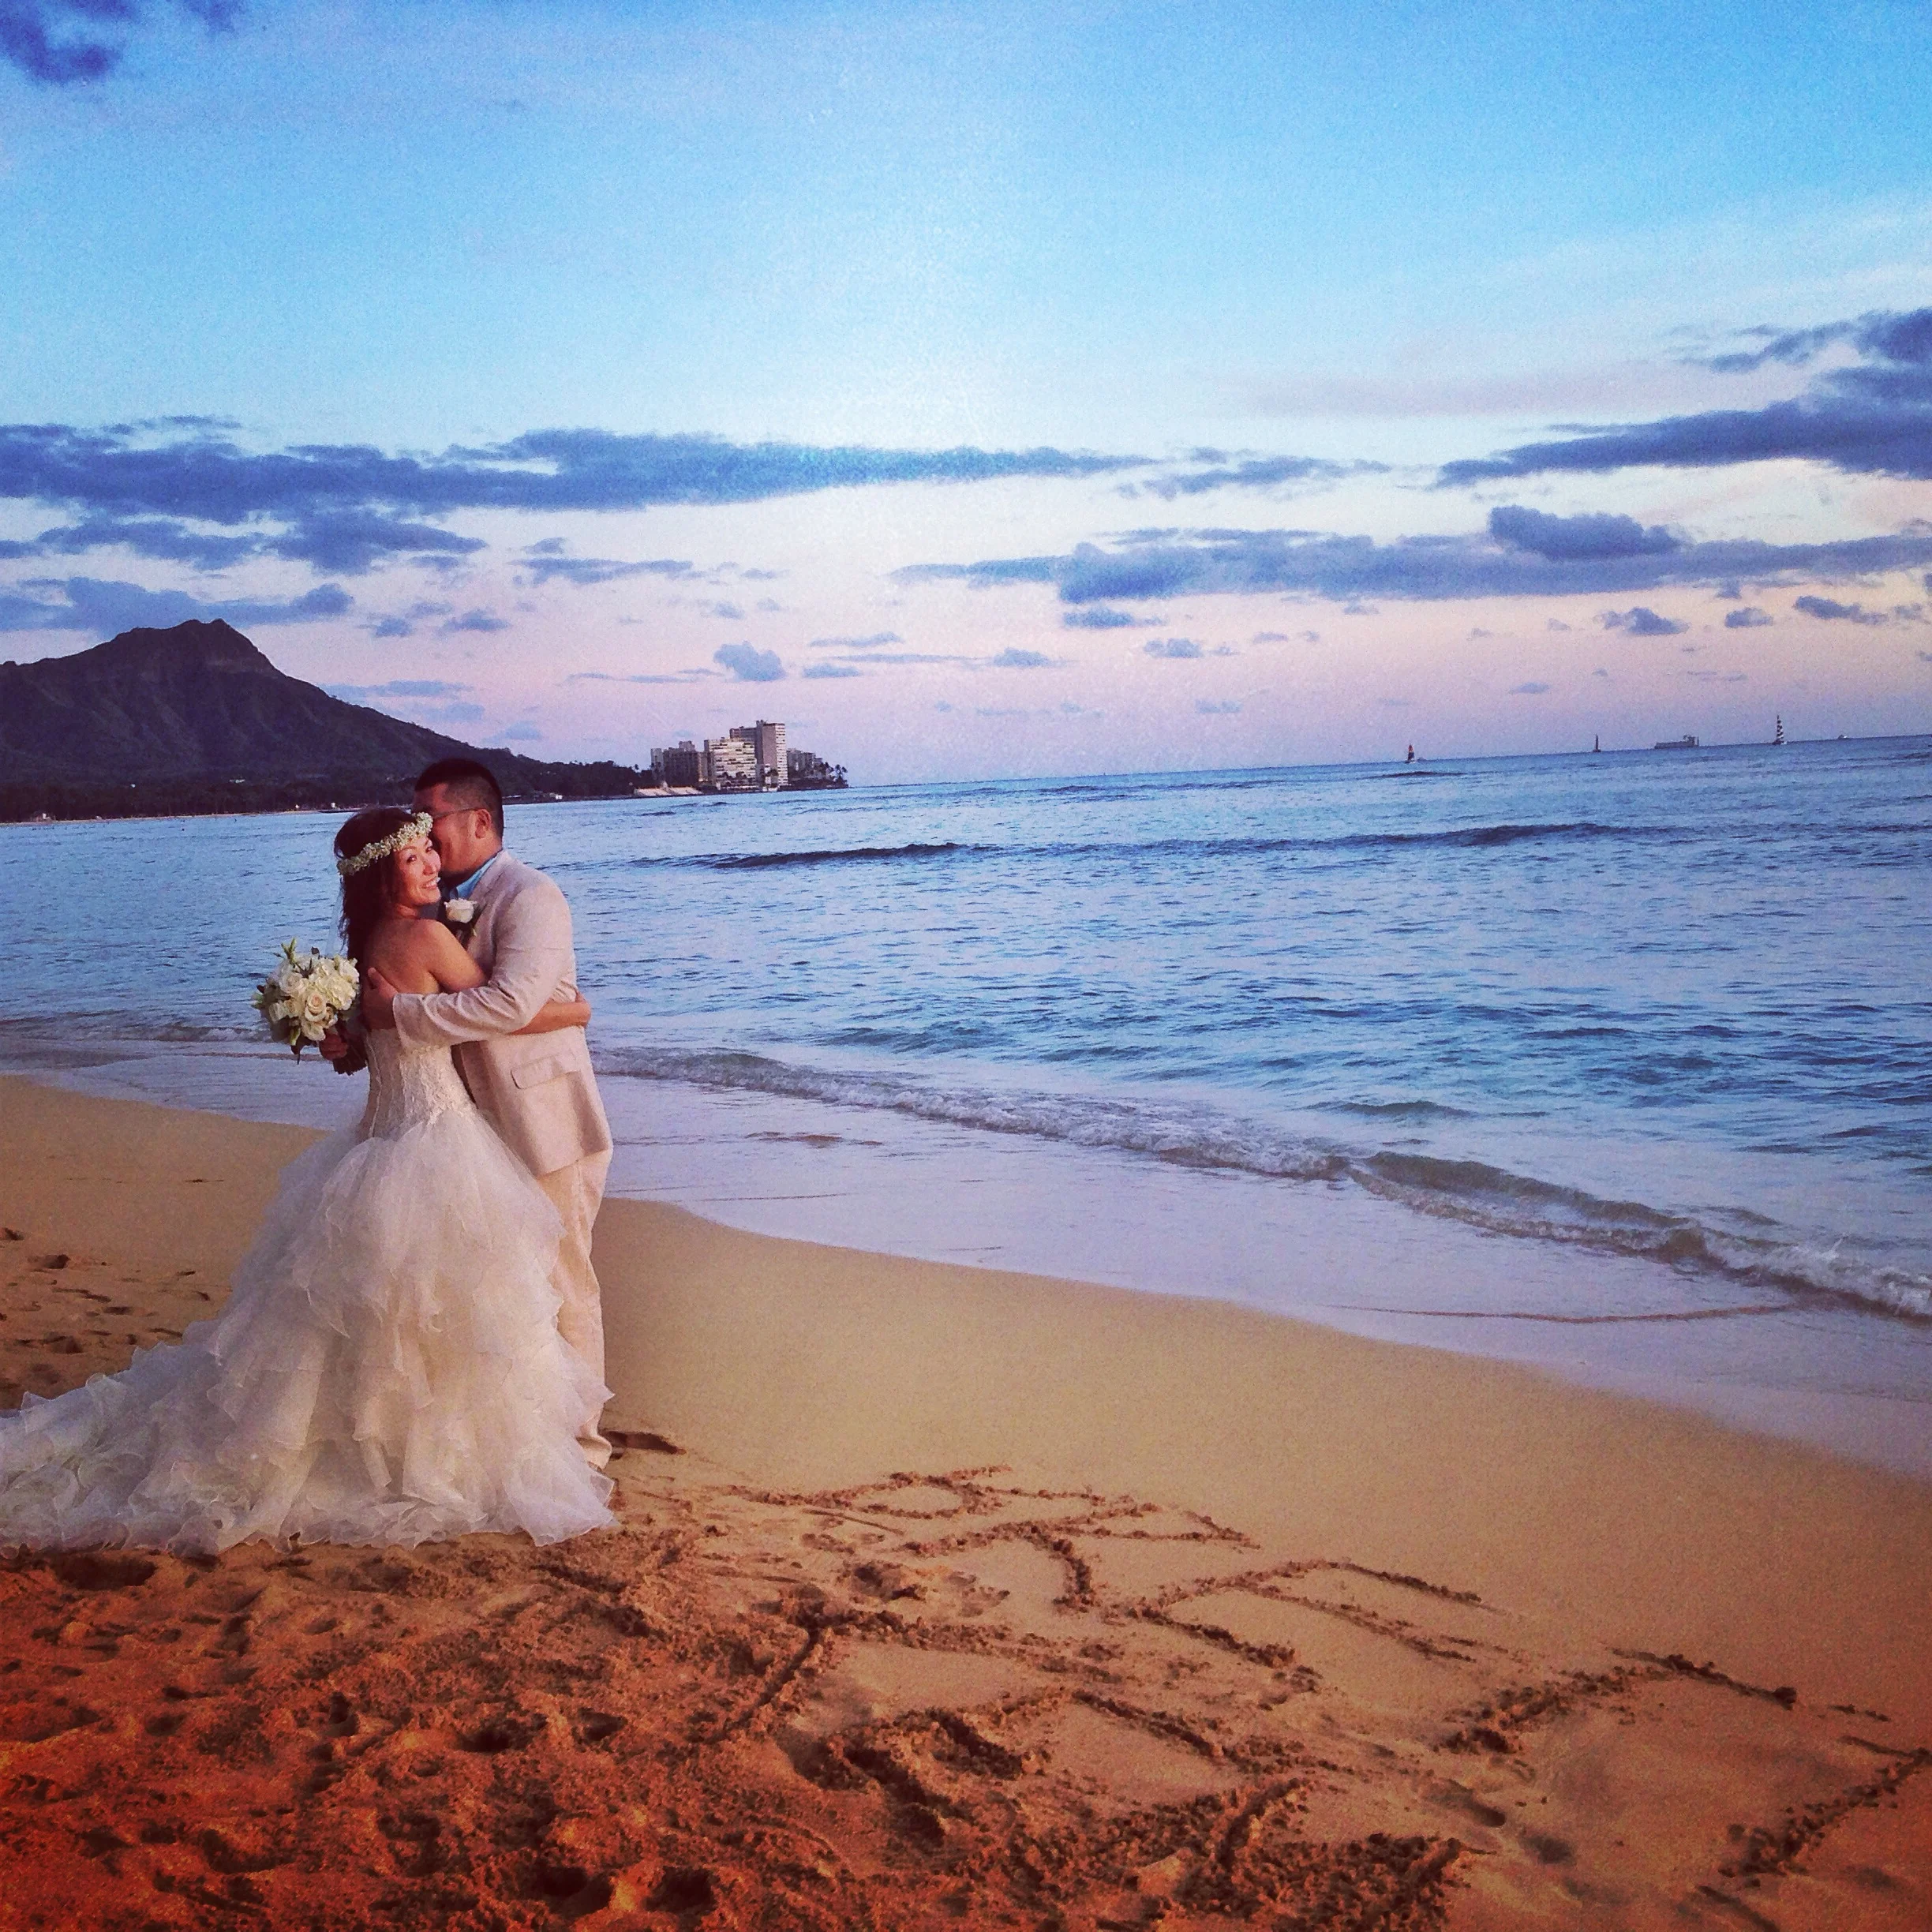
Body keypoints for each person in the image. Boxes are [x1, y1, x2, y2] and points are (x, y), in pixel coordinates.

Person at [0, 807, 615, 1553]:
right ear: (385, 873)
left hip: (379, 1136)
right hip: (436, 1136)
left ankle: (375, 1447)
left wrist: (351, 1033)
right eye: (416, 857)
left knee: (376, 1312)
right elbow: (507, 1012)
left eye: (430, 851)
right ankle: (430, 1457)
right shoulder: (422, 937)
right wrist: (578, 1008)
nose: (431, 866)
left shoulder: (363, 948)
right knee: (446, 1311)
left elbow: (358, 1048)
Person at [348, 758, 616, 1471]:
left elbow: (509, 1005)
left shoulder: (532, 896)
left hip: (544, 1119)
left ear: (480, 821)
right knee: (499, 1292)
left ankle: (583, 1446)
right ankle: (519, 1438)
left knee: (564, 1281)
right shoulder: (427, 914)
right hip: (467, 1127)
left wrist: (398, 1014)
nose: (424, 841)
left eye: (429, 824)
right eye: (414, 834)